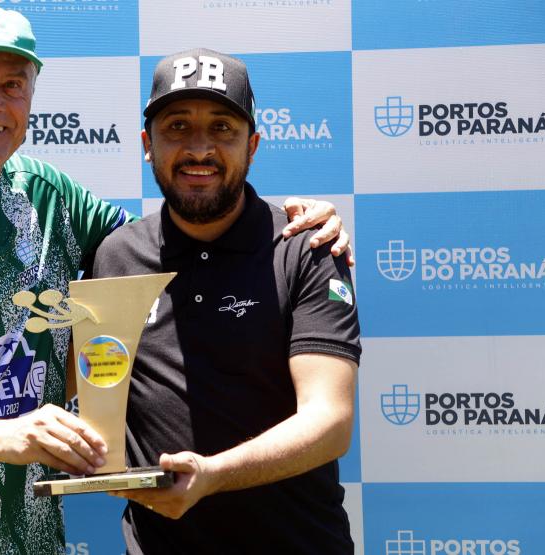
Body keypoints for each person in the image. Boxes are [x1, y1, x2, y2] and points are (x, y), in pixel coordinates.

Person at [0, 4, 352, 553]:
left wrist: (300, 219)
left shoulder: (51, 198)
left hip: (24, 540)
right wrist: (9, 434)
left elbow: (186, 226)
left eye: (12, 85)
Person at [95, 49, 361, 554]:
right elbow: (92, 383)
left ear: (252, 145)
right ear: (148, 145)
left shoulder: (306, 248)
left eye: (222, 128)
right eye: (177, 127)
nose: (200, 149)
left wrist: (212, 475)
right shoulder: (116, 255)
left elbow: (330, 423)